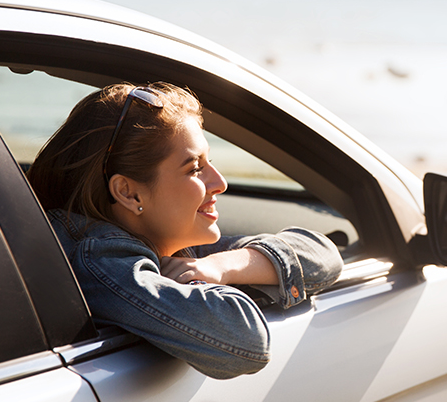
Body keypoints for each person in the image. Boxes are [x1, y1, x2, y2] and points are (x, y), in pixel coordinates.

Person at [27, 82, 343, 379]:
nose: (220, 183)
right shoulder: (100, 260)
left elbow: (322, 253)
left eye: (210, 163)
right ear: (129, 192)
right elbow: (245, 341)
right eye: (194, 168)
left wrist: (219, 267)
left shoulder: (160, 244)